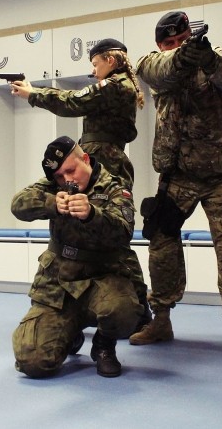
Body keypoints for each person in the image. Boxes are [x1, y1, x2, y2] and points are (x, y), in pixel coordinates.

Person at [131, 11, 222, 358]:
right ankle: (161, 318)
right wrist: (180, 57)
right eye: (169, 43)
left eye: (182, 40)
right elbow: (154, 69)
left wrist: (207, 57)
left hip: (219, 177)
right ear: (161, 45)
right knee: (161, 245)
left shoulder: (213, 58)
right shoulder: (154, 65)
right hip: (176, 178)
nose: (177, 46)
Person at [8, 38, 151, 331]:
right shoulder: (120, 86)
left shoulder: (112, 86)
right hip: (104, 156)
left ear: (110, 60)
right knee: (97, 232)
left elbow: (74, 101)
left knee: (114, 237)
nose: (94, 70)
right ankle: (130, 310)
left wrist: (33, 94)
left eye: (96, 63)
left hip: (104, 160)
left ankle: (136, 311)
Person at [11, 136, 142, 378]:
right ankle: (70, 333)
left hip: (101, 278)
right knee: (33, 362)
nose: (67, 179)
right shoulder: (54, 185)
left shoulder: (114, 187)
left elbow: (124, 231)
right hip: (60, 284)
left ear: (85, 159)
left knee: (125, 312)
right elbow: (18, 204)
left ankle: (103, 345)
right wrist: (52, 203)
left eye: (71, 170)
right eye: (60, 176)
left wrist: (93, 215)